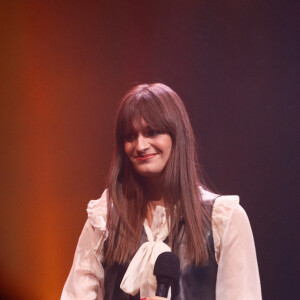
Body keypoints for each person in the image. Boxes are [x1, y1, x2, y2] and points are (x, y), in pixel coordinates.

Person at [61, 83, 262, 300]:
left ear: (177, 136)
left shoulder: (224, 219)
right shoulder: (104, 220)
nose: (140, 145)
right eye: (130, 137)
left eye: (152, 132)